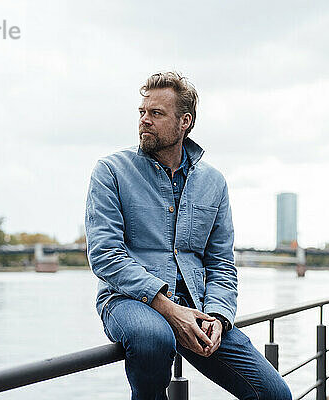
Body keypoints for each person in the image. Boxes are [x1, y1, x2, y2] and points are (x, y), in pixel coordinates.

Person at [85, 71, 291, 400]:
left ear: (185, 121)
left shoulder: (214, 182)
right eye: (142, 112)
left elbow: (221, 262)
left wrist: (220, 318)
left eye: (156, 113)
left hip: (198, 309)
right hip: (128, 301)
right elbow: (105, 255)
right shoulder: (111, 171)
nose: (144, 121)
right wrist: (169, 308)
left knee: (275, 395)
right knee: (153, 339)